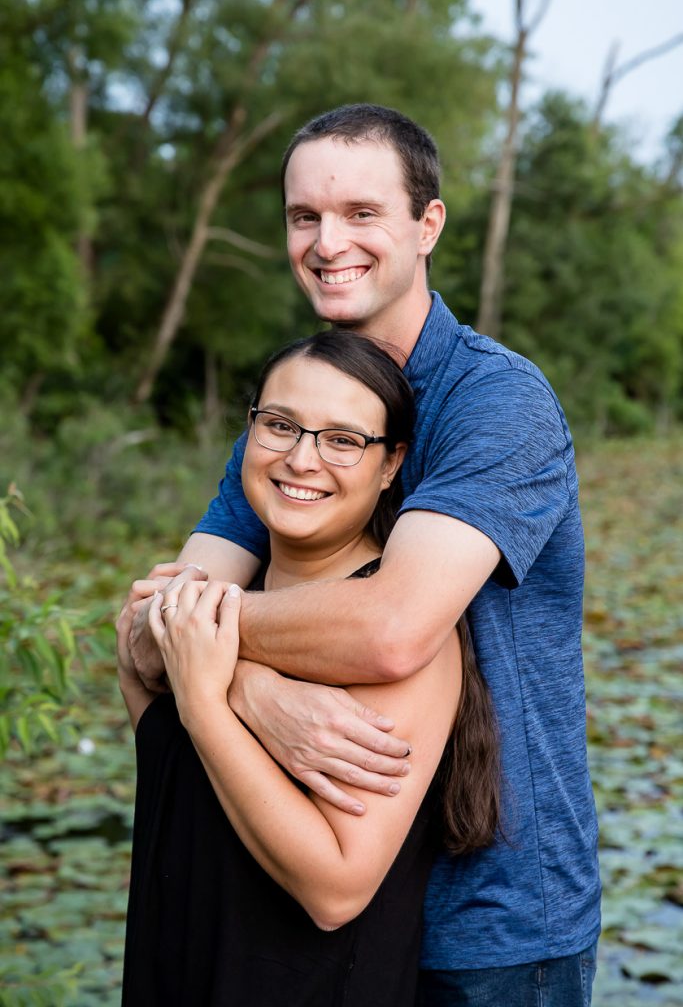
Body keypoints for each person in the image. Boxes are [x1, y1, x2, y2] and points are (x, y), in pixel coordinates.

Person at [119, 104, 601, 1005]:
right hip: (311, 920)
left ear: (427, 225)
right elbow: (144, 631)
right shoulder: (298, 415)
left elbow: (390, 631)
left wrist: (205, 659)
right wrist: (257, 691)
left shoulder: (496, 403)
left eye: (360, 213)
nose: (327, 240)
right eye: (305, 216)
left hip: (488, 922)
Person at [118, 329, 500, 1006]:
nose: (301, 459)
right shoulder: (212, 609)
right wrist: (241, 680)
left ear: (391, 464)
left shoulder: (396, 640)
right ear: (249, 432)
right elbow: (138, 658)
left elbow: (336, 890)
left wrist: (207, 703)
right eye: (280, 425)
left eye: (343, 439)